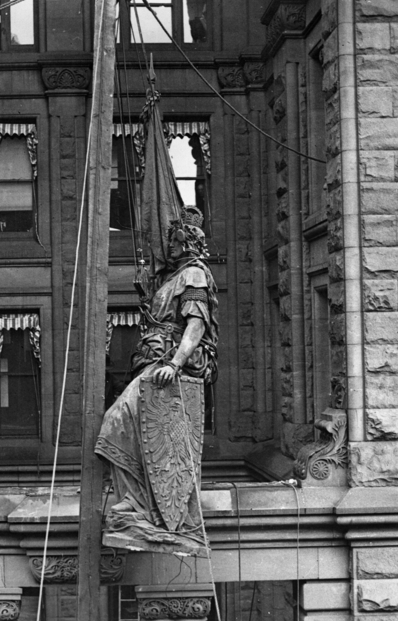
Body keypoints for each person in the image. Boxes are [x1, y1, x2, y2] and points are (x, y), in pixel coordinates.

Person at [95, 206, 218, 534]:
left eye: (174, 240)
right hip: (152, 359)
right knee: (123, 428)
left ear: (187, 242)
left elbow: (196, 325)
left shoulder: (193, 273)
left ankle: (138, 503)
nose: (169, 245)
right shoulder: (172, 277)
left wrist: (176, 364)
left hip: (165, 366)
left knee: (114, 422)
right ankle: (135, 501)